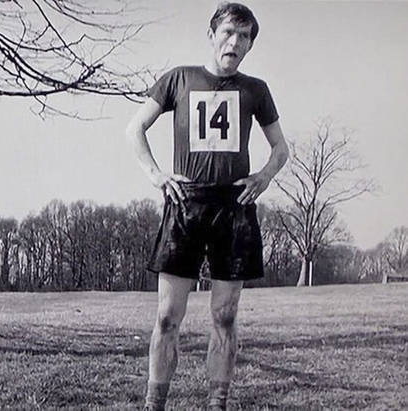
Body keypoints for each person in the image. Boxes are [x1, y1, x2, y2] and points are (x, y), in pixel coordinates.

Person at [125, 3, 289, 410]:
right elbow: (135, 128)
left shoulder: (256, 89)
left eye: (245, 36)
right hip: (186, 203)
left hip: (233, 209)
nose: (235, 42)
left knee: (225, 316)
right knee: (167, 316)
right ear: (212, 33)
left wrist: (263, 177)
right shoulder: (179, 79)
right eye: (229, 33)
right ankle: (154, 403)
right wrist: (156, 174)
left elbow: (281, 148)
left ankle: (217, 402)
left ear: (250, 44)